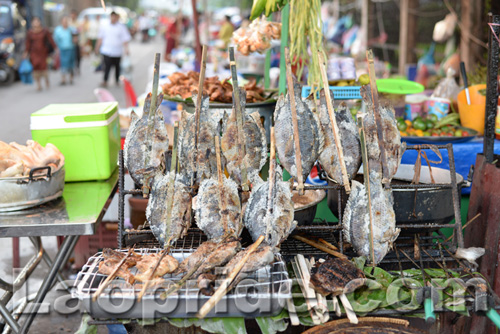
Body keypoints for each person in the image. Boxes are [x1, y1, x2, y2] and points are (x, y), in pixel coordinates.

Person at [95, 11, 131, 87]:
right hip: (106, 51)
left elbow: (125, 39)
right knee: (107, 66)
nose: (113, 18)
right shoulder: (105, 26)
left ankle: (117, 80)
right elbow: (100, 38)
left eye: (115, 17)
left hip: (117, 51)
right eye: (112, 16)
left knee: (117, 67)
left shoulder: (121, 27)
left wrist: (126, 49)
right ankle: (105, 80)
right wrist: (97, 48)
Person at [24, 17, 57, 91]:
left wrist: (55, 48)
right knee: (35, 68)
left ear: (40, 22)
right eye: (34, 22)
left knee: (44, 67)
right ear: (32, 23)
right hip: (34, 53)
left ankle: (46, 80)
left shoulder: (45, 31)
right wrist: (26, 52)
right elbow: (28, 44)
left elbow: (51, 40)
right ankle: (39, 84)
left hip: (43, 52)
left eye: (37, 21)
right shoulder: (30, 32)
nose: (36, 23)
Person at [53, 16, 74, 85]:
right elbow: (55, 40)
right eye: (64, 22)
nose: (65, 23)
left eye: (66, 22)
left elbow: (76, 38)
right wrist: (56, 49)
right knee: (63, 64)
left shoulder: (71, 29)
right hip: (62, 49)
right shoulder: (58, 30)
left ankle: (71, 78)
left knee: (71, 64)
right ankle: (63, 79)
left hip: (70, 49)